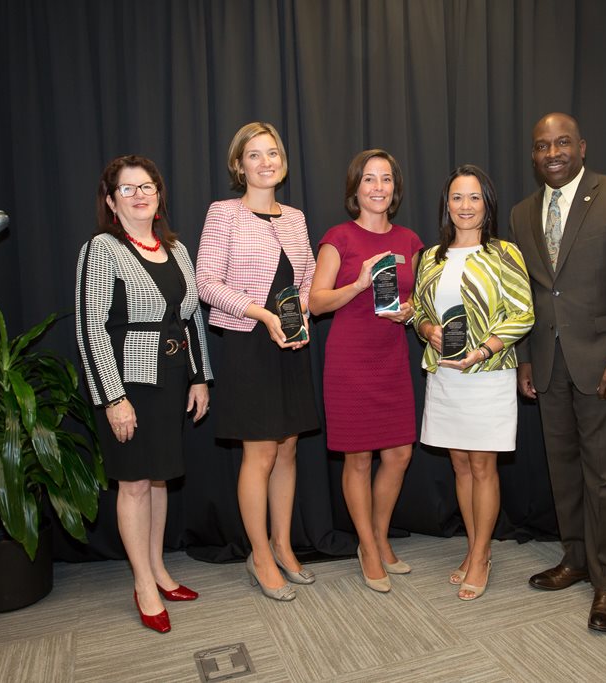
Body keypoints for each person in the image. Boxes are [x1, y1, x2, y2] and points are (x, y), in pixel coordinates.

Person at [508, 113, 606, 632]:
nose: (553, 152)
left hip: (605, 365)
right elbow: (528, 294)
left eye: (563, 142)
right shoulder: (522, 213)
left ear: (582, 147)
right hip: (549, 365)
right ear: (533, 155)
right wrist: (527, 357)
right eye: (542, 145)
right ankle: (576, 558)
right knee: (564, 469)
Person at [76, 155, 211, 634]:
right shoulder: (102, 248)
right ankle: (143, 584)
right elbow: (90, 327)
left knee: (158, 481)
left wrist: (199, 377)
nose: (139, 195)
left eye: (147, 186)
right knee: (134, 483)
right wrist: (113, 399)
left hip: (171, 380)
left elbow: (190, 319)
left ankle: (157, 569)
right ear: (111, 201)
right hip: (129, 384)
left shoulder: (175, 249)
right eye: (127, 189)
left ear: (159, 195)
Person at [196, 122, 319, 602]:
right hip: (249, 342)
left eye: (273, 153)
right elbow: (206, 282)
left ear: (282, 162)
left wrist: (300, 313)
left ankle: (283, 546)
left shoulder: (296, 217)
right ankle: (260, 556)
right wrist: (263, 314)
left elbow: (307, 275)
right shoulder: (224, 213)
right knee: (260, 453)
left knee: (288, 447)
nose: (266, 161)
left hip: (290, 342)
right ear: (239, 164)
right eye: (255, 154)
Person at [414, 164, 534, 601]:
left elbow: (523, 314)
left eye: (474, 198)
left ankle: (482, 555)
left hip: (487, 374)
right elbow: (420, 312)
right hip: (445, 376)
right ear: (446, 205)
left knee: (482, 466)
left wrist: (482, 350)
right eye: (457, 198)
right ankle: (472, 547)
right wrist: (427, 330)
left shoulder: (505, 253)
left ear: (488, 204)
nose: (465, 207)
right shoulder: (430, 256)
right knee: (460, 465)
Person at [308, 149, 423, 593]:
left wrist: (410, 313)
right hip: (350, 359)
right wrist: (357, 284)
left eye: (387, 180)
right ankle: (369, 547)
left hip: (392, 357)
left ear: (395, 189)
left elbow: (418, 303)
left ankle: (378, 534)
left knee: (399, 454)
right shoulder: (339, 237)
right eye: (370, 179)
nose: (378, 187)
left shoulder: (411, 241)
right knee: (357, 458)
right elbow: (317, 302)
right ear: (355, 187)